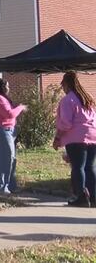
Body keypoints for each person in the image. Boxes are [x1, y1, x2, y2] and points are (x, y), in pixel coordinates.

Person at [53, 71, 96, 207]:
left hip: (76, 138)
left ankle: (81, 196)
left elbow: (66, 123)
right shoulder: (88, 98)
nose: (63, 89)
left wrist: (57, 138)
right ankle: (93, 196)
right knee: (89, 167)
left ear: (66, 84)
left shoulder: (68, 100)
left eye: (63, 86)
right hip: (93, 136)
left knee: (78, 167)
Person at [0, 78, 26, 196]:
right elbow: (9, 113)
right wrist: (20, 107)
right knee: (4, 160)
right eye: (7, 86)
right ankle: (0, 187)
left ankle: (10, 185)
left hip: (8, 131)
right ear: (2, 87)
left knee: (11, 159)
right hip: (1, 131)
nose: (8, 88)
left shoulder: (1, 98)